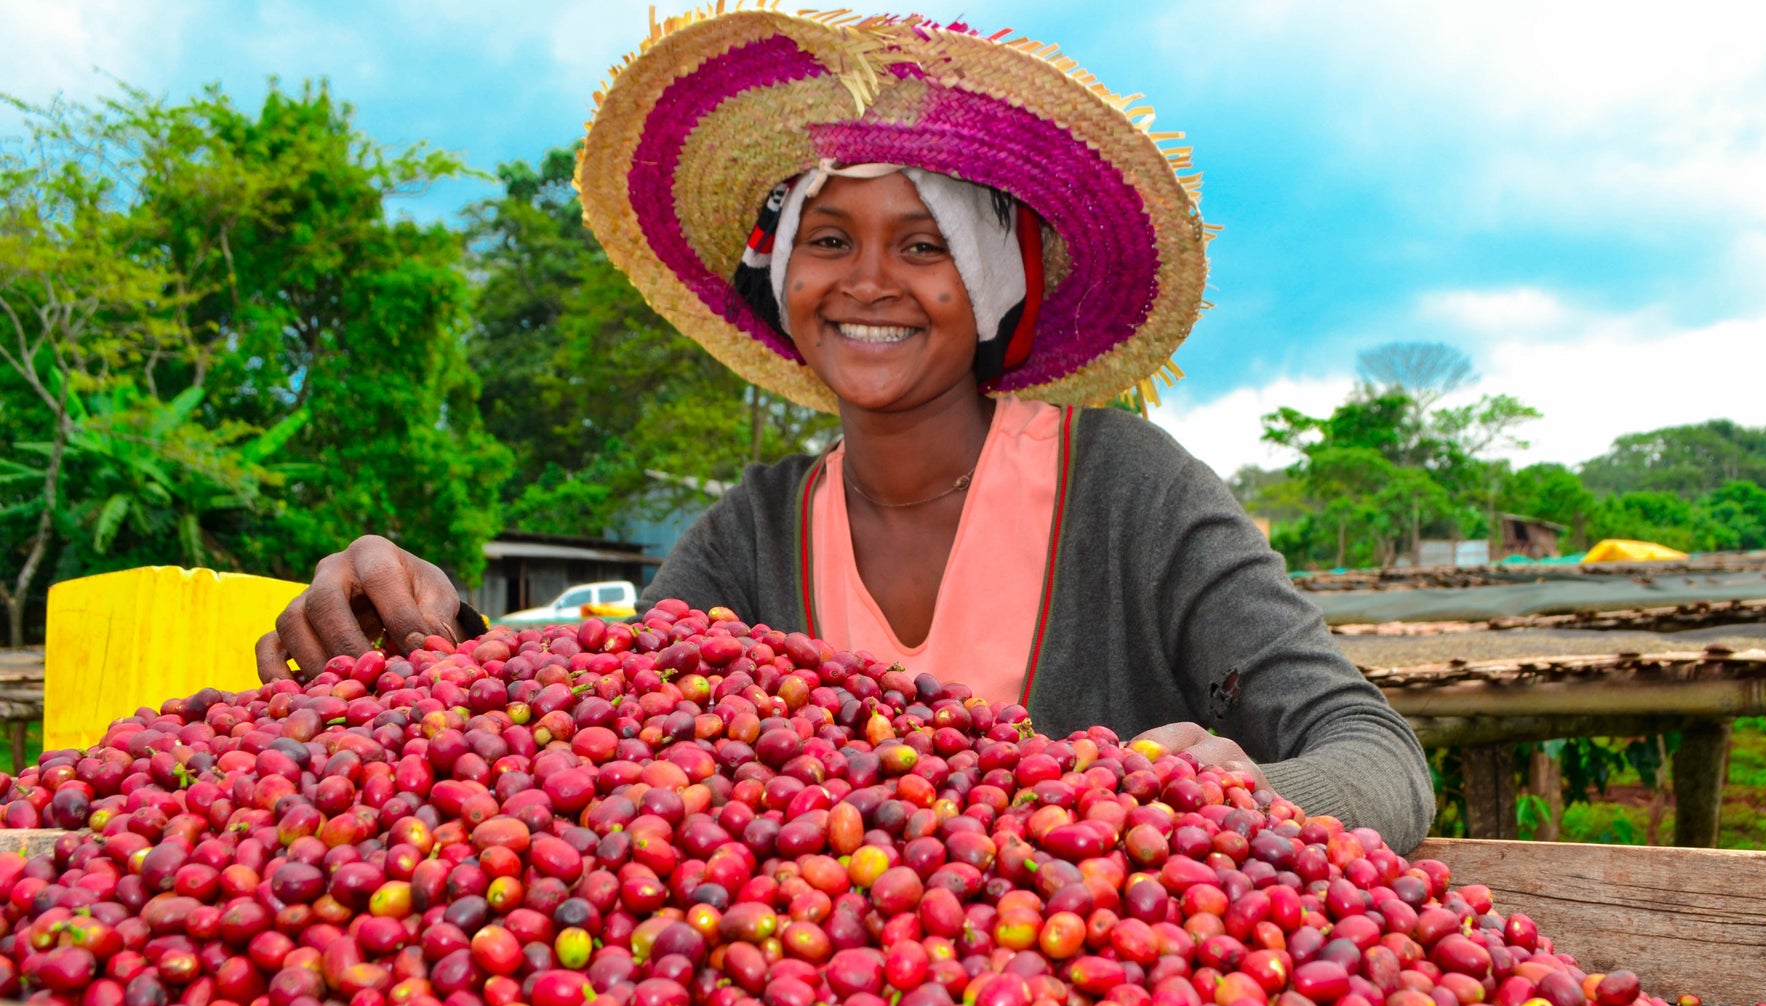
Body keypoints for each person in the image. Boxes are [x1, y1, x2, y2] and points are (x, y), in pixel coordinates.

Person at [259, 10, 1435, 849]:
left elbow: (1373, 751)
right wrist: (433, 635)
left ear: (991, 286)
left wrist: (1251, 797)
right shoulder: (745, 540)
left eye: (923, 246)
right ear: (783, 278)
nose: (867, 282)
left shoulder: (1129, 491)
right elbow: (599, 742)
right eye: (827, 241)